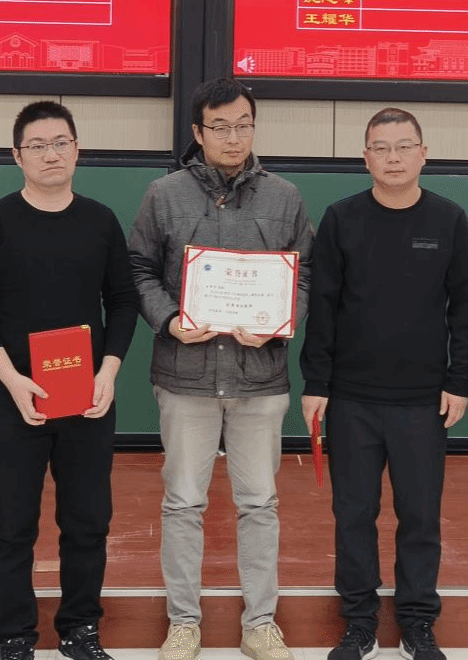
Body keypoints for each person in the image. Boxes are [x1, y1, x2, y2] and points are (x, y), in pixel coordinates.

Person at [128, 77, 315, 660]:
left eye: (243, 125)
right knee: (184, 503)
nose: (233, 137)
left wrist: (280, 320)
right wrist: (169, 320)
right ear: (198, 131)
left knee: (259, 503)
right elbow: (138, 269)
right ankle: (183, 623)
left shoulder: (284, 197)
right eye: (220, 127)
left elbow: (305, 274)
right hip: (186, 377)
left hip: (260, 379)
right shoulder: (163, 195)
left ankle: (261, 623)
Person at [0, 101, 139, 660]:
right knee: (11, 524)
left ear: (77, 149)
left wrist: (109, 371)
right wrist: (11, 379)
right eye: (37, 145)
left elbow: (123, 301)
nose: (50, 154)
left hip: (88, 399)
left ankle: (80, 629)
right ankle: (15, 636)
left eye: (61, 142)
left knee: (88, 522)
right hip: (15, 401)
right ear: (17, 156)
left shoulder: (100, 220)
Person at [300, 107, 468, 660]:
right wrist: (316, 383)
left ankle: (417, 621)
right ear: (366, 158)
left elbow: (465, 309)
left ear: (424, 153)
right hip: (351, 398)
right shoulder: (341, 218)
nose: (393, 157)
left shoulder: (449, 219)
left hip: (423, 401)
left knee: (420, 517)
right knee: (353, 515)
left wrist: (459, 380)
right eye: (381, 148)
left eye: (404, 146)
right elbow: (323, 306)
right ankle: (359, 623)